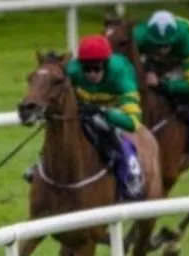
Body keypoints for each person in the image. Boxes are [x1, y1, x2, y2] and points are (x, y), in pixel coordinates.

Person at [23, 35, 145, 200]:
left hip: (113, 108)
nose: (91, 74)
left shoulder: (121, 73)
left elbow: (132, 123)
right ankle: (42, 163)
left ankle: (131, 175)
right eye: (87, 68)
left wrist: (103, 112)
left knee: (112, 133)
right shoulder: (72, 70)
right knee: (62, 130)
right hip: (85, 106)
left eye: (96, 68)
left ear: (106, 64)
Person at [134, 9, 189, 153]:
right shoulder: (139, 35)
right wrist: (147, 70)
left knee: (183, 91)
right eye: (157, 45)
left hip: (181, 60)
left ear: (174, 40)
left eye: (166, 45)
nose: (162, 50)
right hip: (152, 60)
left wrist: (163, 84)